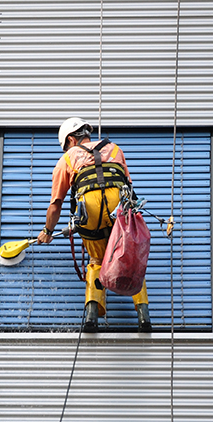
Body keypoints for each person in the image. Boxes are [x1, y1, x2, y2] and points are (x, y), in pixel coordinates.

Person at [36, 116, 151, 333]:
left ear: (70, 139)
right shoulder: (115, 149)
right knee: (131, 257)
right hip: (119, 206)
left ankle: (92, 316)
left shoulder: (68, 158)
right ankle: (143, 316)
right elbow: (128, 186)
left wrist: (47, 231)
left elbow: (56, 204)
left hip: (90, 210)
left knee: (96, 260)